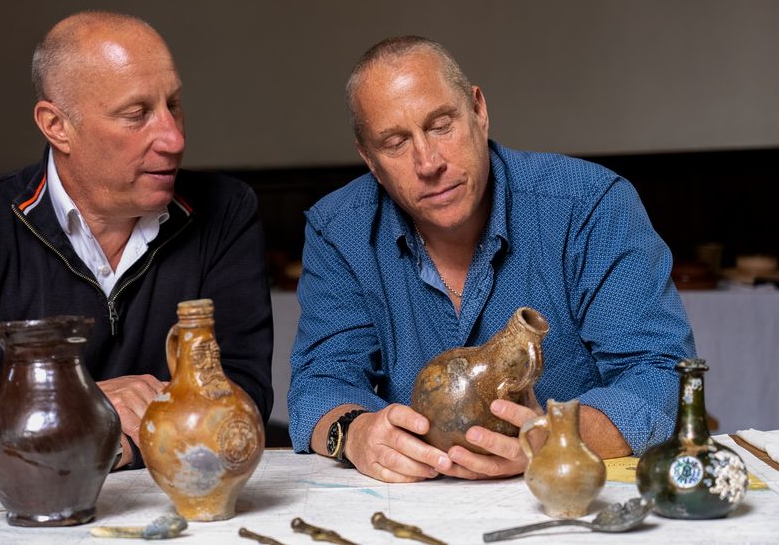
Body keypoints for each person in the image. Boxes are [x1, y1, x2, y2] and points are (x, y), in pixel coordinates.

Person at [0, 12, 273, 471]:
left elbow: (243, 393)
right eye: (136, 115)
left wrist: (117, 446)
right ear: (57, 126)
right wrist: (70, 410)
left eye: (174, 105)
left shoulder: (225, 211)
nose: (174, 138)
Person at [288, 36, 694, 483]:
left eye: (441, 125)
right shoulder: (339, 230)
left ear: (478, 111)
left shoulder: (590, 206)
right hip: (416, 500)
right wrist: (356, 431)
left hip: (562, 495)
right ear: (369, 159)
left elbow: (661, 377)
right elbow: (321, 382)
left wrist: (553, 436)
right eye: (396, 143)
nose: (428, 162)